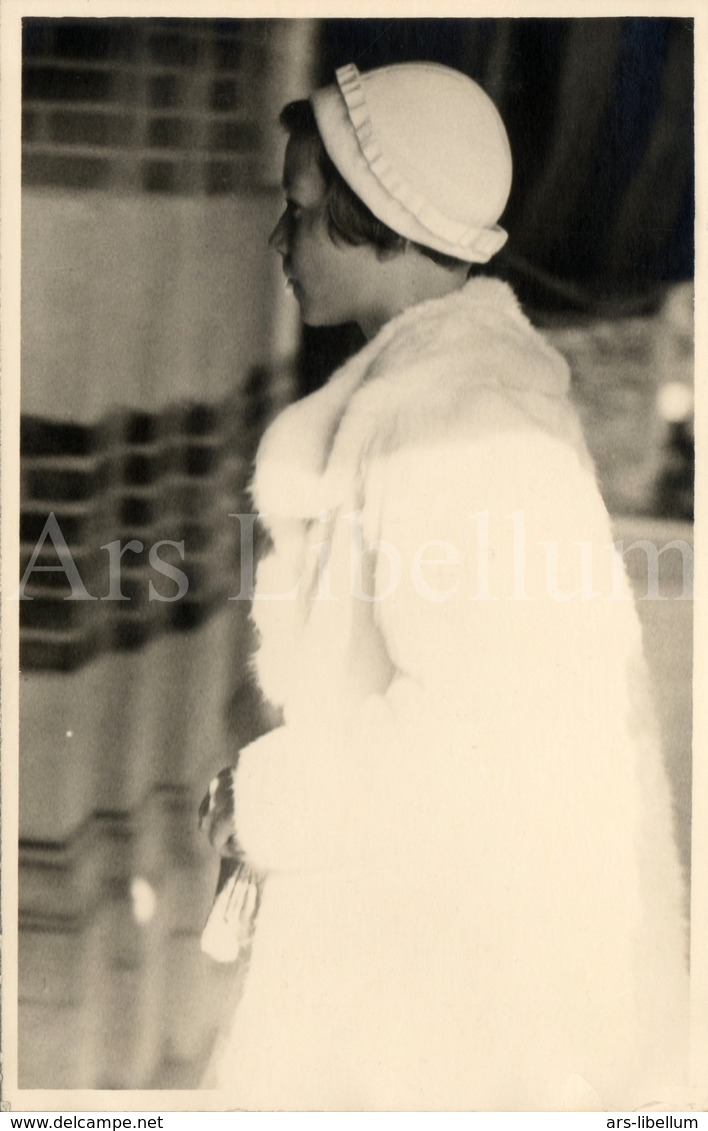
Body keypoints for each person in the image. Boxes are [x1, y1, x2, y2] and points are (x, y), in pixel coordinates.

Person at [200, 61, 688, 1110]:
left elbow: (483, 726)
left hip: (455, 1000)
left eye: (296, 211)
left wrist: (265, 798)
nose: (276, 242)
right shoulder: (437, 396)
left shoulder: (461, 424)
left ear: (377, 218)